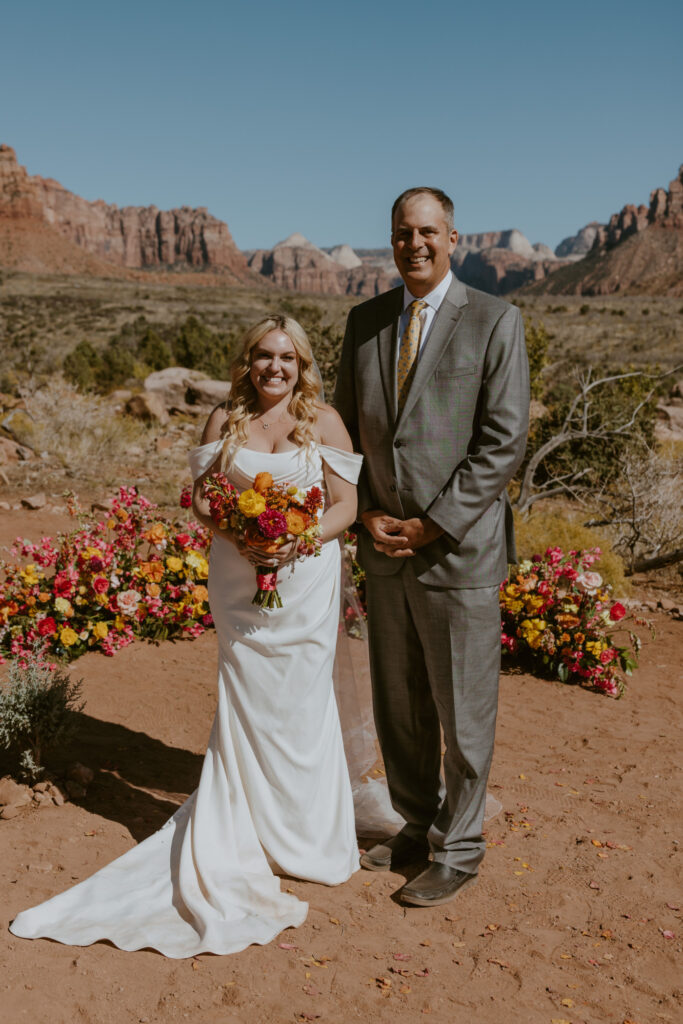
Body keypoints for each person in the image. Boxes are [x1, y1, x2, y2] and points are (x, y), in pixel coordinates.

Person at [10, 315, 363, 957]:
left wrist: (296, 539)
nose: (275, 368)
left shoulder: (326, 421)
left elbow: (346, 505)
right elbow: (202, 500)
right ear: (248, 360)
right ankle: (245, 831)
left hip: (305, 582)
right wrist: (243, 537)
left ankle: (306, 840)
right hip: (238, 579)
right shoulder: (224, 420)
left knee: (302, 703)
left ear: (302, 363)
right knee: (248, 700)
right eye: (263, 355)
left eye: (287, 357)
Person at [334, 187, 530, 907]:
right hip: (384, 547)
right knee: (399, 704)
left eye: (425, 232)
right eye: (399, 233)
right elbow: (344, 436)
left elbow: (501, 439)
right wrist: (363, 519)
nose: (411, 244)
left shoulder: (494, 320)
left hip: (457, 550)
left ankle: (460, 846)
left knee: (462, 708)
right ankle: (415, 825)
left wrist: (432, 522)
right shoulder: (364, 323)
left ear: (453, 237)